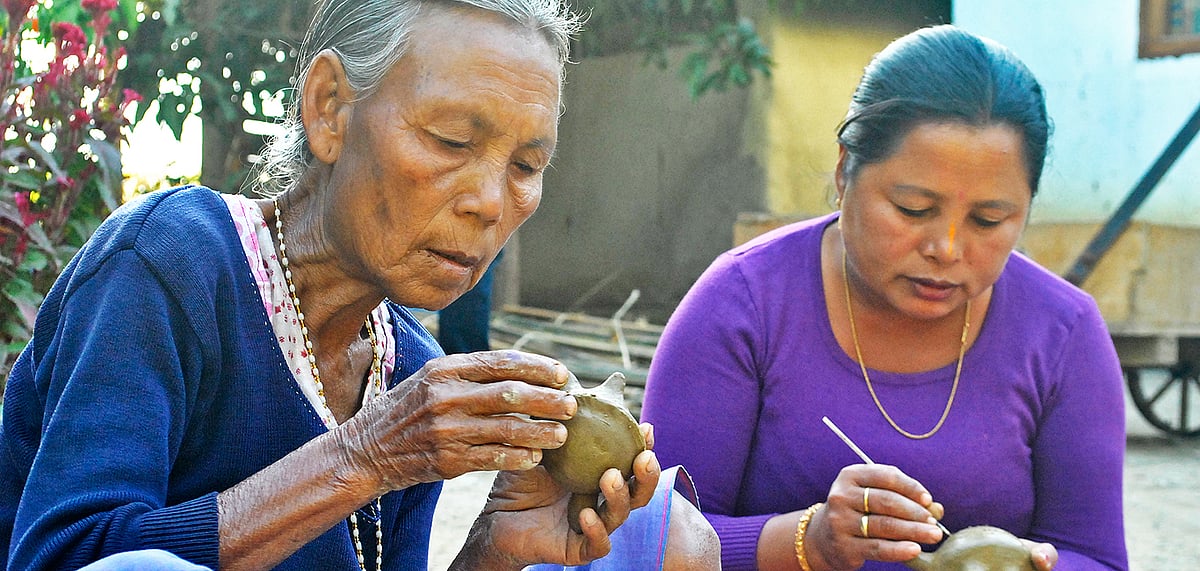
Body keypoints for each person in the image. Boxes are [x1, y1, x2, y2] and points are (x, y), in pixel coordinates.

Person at [0, 1, 715, 569]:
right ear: (329, 109)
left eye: (526, 166)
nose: (491, 203)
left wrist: (495, 548)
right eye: (453, 142)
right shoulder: (172, 262)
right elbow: (66, 558)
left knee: (660, 534)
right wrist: (361, 457)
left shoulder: (407, 369)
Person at [640, 24, 1127, 571]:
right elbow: (650, 544)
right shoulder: (741, 308)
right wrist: (807, 541)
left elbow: (1096, 556)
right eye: (913, 209)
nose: (945, 248)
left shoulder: (1063, 334)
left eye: (989, 219)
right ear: (846, 171)